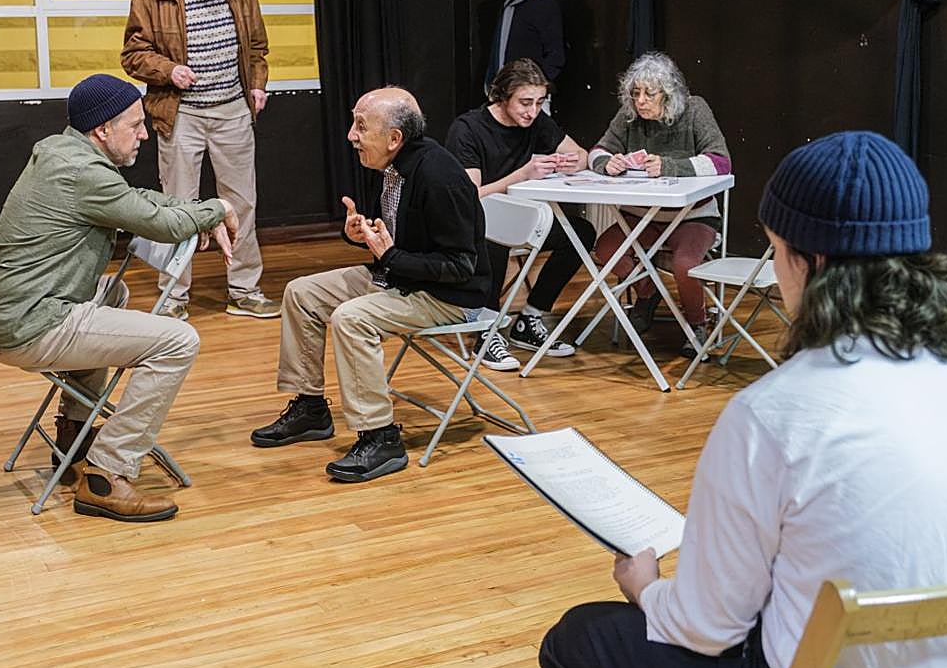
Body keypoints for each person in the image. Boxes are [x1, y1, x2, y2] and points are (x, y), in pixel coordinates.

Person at [540, 131, 947, 668]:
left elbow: (707, 627)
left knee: (580, 636)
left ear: (811, 261)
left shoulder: (771, 415)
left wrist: (647, 588)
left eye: (775, 251)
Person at [0, 74, 240, 522]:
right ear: (102, 129)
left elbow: (137, 200)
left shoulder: (62, 152)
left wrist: (196, 211)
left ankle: (73, 434)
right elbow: (164, 225)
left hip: (6, 311)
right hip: (28, 322)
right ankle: (106, 473)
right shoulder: (85, 174)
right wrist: (219, 208)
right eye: (135, 125)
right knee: (180, 341)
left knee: (113, 292)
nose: (144, 134)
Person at [249, 87, 489, 483]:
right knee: (301, 293)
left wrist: (390, 255)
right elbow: (395, 239)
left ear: (394, 138)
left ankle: (380, 436)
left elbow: (461, 266)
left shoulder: (439, 177)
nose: (351, 136)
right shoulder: (393, 167)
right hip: (400, 278)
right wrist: (361, 236)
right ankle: (310, 408)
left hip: (448, 296)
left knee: (351, 318)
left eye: (361, 126)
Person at [121, 0, 279, 321]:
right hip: (182, 114)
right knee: (178, 207)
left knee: (242, 203)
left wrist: (257, 85)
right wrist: (169, 70)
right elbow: (132, 56)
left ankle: (244, 290)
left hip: (232, 110)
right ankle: (173, 296)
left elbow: (257, 47)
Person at [446, 58, 595, 371]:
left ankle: (530, 317)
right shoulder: (468, 129)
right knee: (496, 232)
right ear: (502, 96)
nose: (532, 111)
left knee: (580, 233)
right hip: (474, 222)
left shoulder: (536, 121)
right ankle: (486, 331)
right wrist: (523, 174)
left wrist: (573, 162)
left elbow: (581, 154)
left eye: (540, 102)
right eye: (525, 102)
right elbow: (470, 197)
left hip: (520, 217)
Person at [589, 51, 731, 356]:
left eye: (649, 94)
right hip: (643, 215)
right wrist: (606, 163)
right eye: (635, 93)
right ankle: (648, 291)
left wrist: (670, 166)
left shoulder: (695, 109)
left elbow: (720, 162)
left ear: (668, 94)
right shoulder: (628, 115)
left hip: (692, 215)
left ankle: (697, 324)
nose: (640, 101)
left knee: (685, 264)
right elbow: (598, 150)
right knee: (606, 249)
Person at [484, 0, 565, 97]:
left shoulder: (545, 6)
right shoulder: (507, 7)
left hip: (531, 94)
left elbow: (555, 56)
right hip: (504, 92)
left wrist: (535, 87)